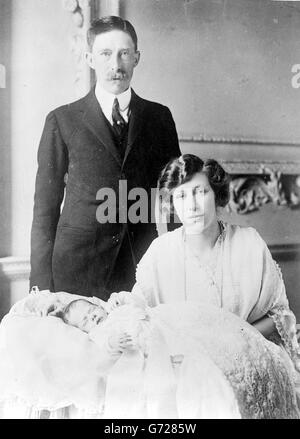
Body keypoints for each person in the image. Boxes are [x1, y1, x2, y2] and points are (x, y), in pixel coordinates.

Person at [106, 153, 300, 418]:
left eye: (200, 192)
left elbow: (279, 316)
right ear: (172, 203)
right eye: (182, 196)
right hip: (184, 368)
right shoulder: (161, 252)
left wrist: (236, 342)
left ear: (215, 194)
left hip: (246, 360)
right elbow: (140, 310)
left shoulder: (249, 244)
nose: (193, 206)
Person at [30, 16, 181, 300]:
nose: (116, 65)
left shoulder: (159, 118)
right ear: (90, 58)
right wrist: (40, 287)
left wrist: (181, 270)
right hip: (76, 272)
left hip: (140, 271)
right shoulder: (62, 120)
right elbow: (44, 210)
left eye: (125, 53)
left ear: (137, 57)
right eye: (105, 54)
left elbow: (174, 200)